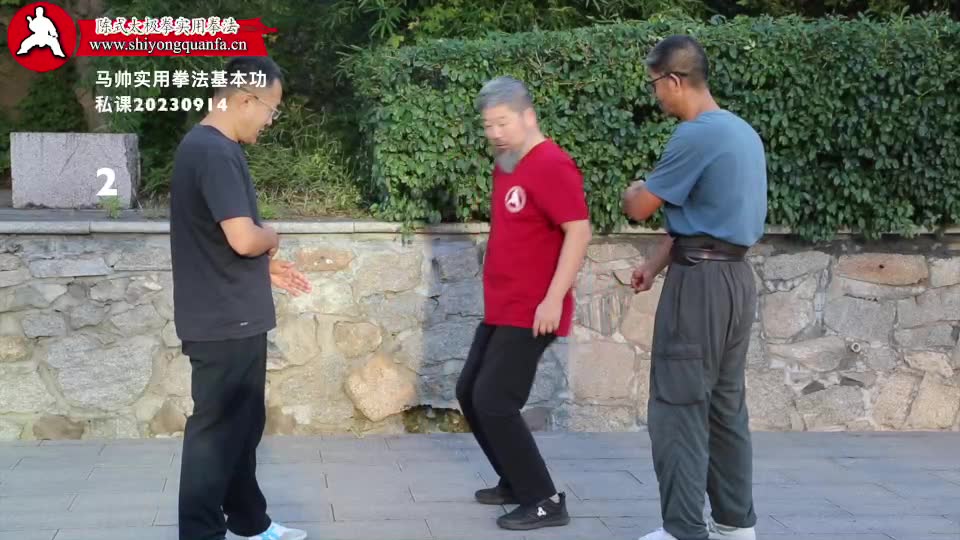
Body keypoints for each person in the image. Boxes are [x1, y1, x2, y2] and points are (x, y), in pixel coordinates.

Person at [621, 36, 767, 540]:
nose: (655, 95)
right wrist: (656, 263)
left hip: (700, 286)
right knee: (726, 409)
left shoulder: (695, 135)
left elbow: (641, 206)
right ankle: (734, 527)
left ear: (674, 80)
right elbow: (702, 218)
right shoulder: (741, 132)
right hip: (735, 280)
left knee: (677, 405)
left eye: (655, 84)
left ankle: (683, 531)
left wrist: (633, 189)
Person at [170, 56, 312, 540]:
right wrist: (272, 238)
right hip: (224, 320)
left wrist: (262, 268)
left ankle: (251, 522)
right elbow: (244, 238)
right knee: (215, 434)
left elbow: (212, 239)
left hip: (229, 312)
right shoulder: (214, 152)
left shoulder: (207, 147)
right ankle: (201, 533)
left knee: (240, 427)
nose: (270, 120)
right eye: (271, 109)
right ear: (246, 99)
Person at [455, 76, 592, 531]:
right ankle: (515, 481)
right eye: (487, 125)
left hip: (534, 308)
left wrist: (554, 298)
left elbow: (579, 230)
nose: (494, 133)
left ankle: (545, 500)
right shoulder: (508, 163)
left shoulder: (551, 164)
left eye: (502, 122)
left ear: (528, 116)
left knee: (495, 399)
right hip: (503, 304)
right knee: (469, 392)